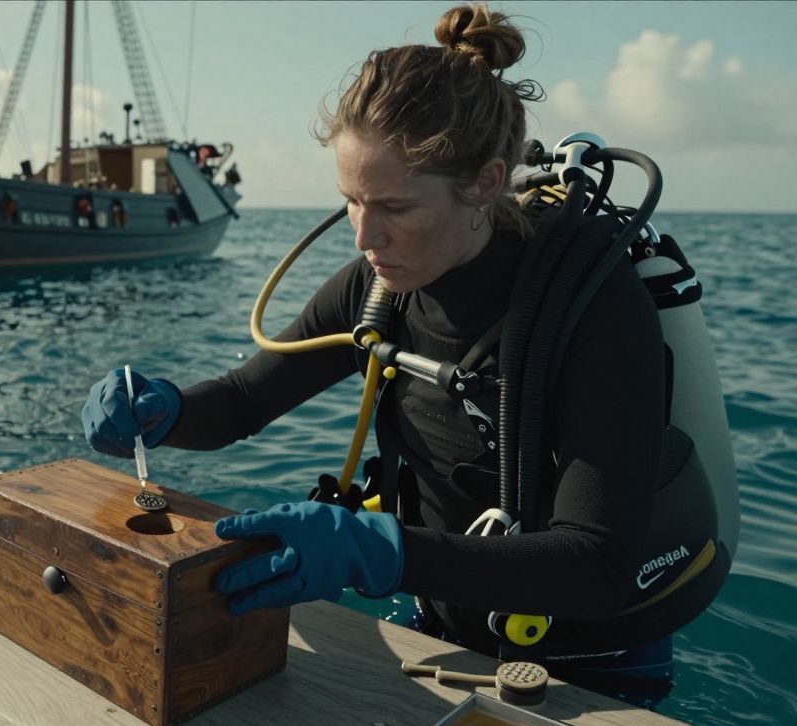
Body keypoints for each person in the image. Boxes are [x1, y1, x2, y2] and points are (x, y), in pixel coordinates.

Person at [81, 4, 724, 689]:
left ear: (484, 183)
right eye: (351, 201)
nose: (364, 236)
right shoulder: (378, 285)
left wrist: (377, 550)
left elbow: (596, 563)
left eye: (393, 208)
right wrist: (166, 411)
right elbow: (244, 400)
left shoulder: (591, 306)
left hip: (592, 659)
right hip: (446, 624)